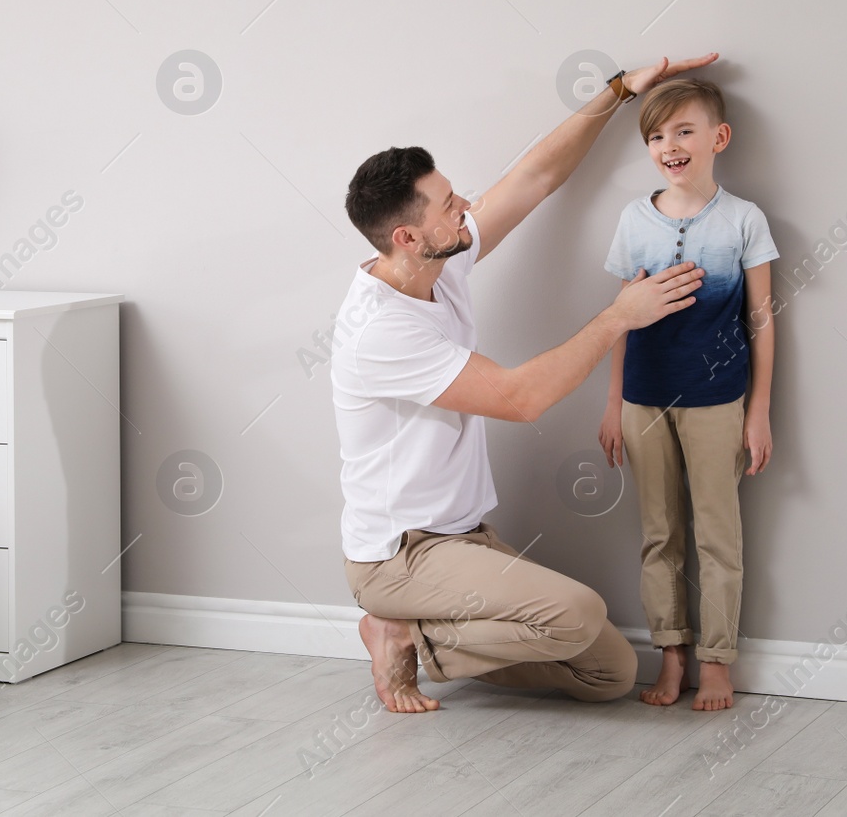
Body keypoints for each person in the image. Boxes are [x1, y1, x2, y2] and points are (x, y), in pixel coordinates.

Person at [331, 54, 719, 713]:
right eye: (450, 204)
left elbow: (536, 176)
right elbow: (521, 398)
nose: (466, 207)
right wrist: (619, 316)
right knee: (578, 612)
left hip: (465, 537)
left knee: (610, 671)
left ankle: (423, 634)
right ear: (406, 235)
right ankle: (396, 628)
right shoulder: (381, 330)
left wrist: (622, 90)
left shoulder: (435, 262)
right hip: (402, 555)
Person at [597, 77, 779, 712]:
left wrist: (757, 411)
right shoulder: (632, 220)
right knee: (659, 534)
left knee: (717, 536)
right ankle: (671, 654)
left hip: (718, 401)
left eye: (683, 131)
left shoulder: (743, 219)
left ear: (717, 138)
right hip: (645, 400)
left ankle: (718, 660)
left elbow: (761, 320)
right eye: (655, 135)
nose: (668, 145)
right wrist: (614, 402)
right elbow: (619, 317)